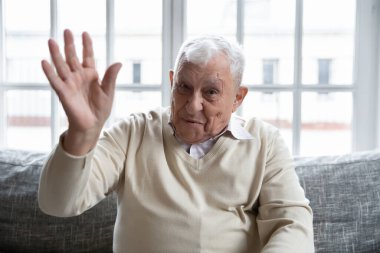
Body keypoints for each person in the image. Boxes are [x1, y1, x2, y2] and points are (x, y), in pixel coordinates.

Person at [38, 29, 314, 253]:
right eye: (184, 87)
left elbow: (293, 225)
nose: (193, 105)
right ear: (172, 81)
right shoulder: (134, 132)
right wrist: (81, 133)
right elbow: (58, 203)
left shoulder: (264, 142)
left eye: (211, 92)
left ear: (238, 98)